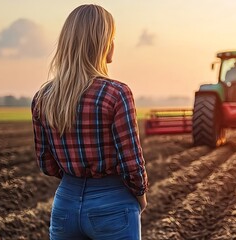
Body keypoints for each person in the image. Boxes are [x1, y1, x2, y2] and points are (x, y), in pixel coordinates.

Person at [31, 4, 148, 240]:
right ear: (103, 43)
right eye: (111, 38)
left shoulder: (43, 97)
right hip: (113, 201)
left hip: (65, 203)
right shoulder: (117, 93)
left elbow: (47, 163)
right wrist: (140, 197)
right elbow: (131, 163)